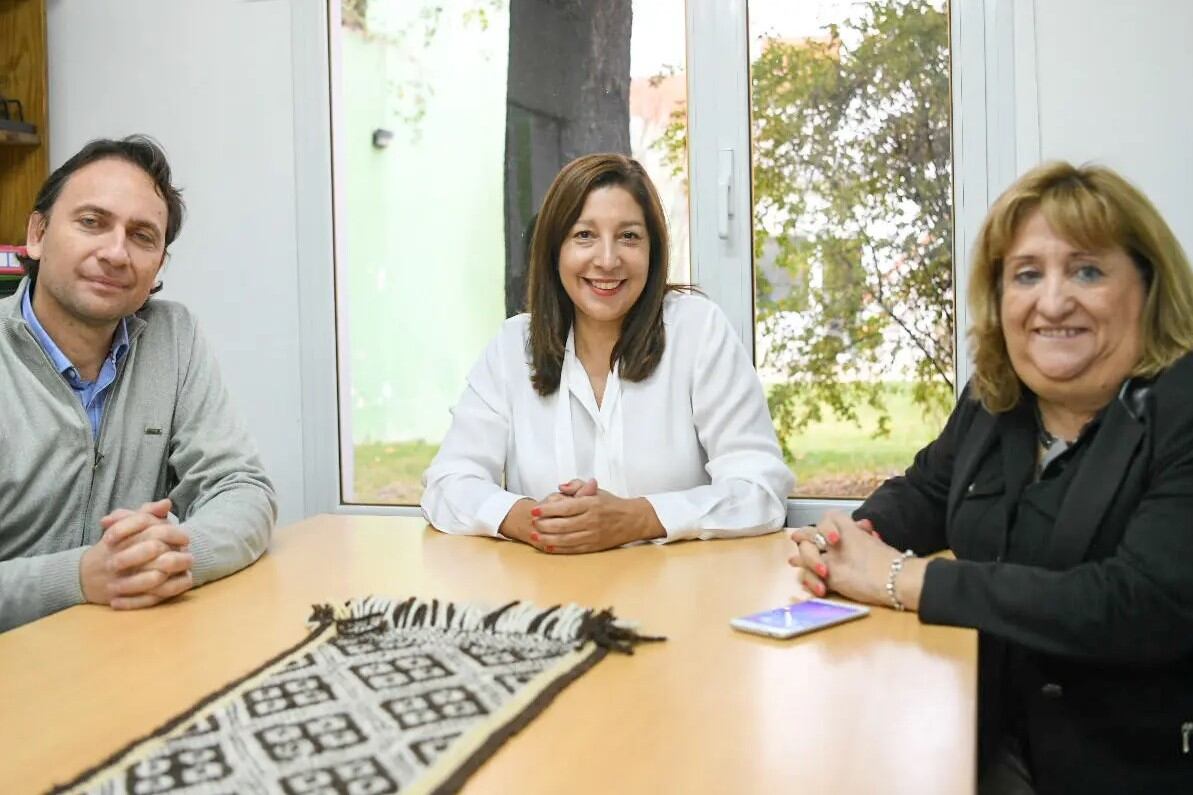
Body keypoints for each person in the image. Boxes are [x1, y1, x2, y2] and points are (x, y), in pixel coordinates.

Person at [788, 161, 1193, 792]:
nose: (1053, 301)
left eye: (1087, 270)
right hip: (981, 733)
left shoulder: (1181, 407)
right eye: (1026, 275)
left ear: (1147, 285)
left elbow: (1139, 605)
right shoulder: (998, 396)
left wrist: (902, 578)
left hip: (1126, 765)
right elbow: (927, 489)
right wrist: (846, 538)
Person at [422, 153, 793, 553]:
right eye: (584, 235)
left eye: (629, 236)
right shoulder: (515, 345)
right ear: (554, 248)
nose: (607, 260)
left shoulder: (697, 330)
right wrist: (534, 521)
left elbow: (760, 488)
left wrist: (637, 519)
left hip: (680, 597)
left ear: (653, 251)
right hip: (552, 598)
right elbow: (448, 482)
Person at [0, 135, 277, 632]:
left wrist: (175, 556)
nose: (115, 252)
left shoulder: (173, 336)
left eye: (143, 236)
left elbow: (240, 487)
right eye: (92, 222)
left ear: (157, 269)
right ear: (37, 234)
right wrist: (80, 577)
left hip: (126, 650)